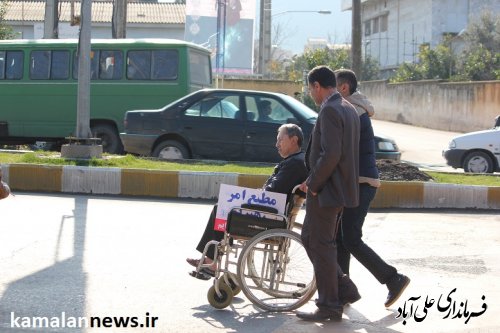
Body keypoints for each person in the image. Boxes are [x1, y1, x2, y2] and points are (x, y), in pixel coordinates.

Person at [186, 124, 308, 276]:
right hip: (271, 212)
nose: (276, 145)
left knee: (221, 209)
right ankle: (211, 260)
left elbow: (273, 192)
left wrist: (256, 194)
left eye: (280, 140)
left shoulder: (295, 164)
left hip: (270, 217)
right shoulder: (295, 161)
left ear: (293, 140)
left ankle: (211, 261)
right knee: (223, 207)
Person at [334, 69, 410, 308]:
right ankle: (343, 289)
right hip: (357, 182)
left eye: (332, 86)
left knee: (351, 239)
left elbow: (342, 152)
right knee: (341, 238)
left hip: (361, 183)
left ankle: (392, 279)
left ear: (344, 88)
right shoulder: (355, 108)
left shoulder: (352, 112)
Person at [296, 65, 360, 322]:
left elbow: (331, 154)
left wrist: (312, 183)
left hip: (326, 191)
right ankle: (343, 289)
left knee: (320, 245)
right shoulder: (347, 108)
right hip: (335, 189)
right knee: (310, 238)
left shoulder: (331, 109)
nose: (311, 94)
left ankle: (329, 304)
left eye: (311, 89)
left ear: (316, 86)